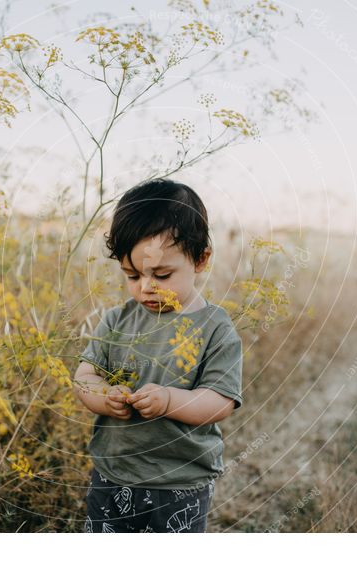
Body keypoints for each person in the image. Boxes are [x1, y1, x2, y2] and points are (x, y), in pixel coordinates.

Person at [74, 178, 243, 533]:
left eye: (162, 274)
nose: (146, 287)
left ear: (200, 259)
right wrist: (104, 396)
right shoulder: (116, 320)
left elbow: (220, 401)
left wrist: (169, 401)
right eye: (132, 275)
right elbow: (85, 376)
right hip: (113, 473)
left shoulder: (214, 326)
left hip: (180, 482)